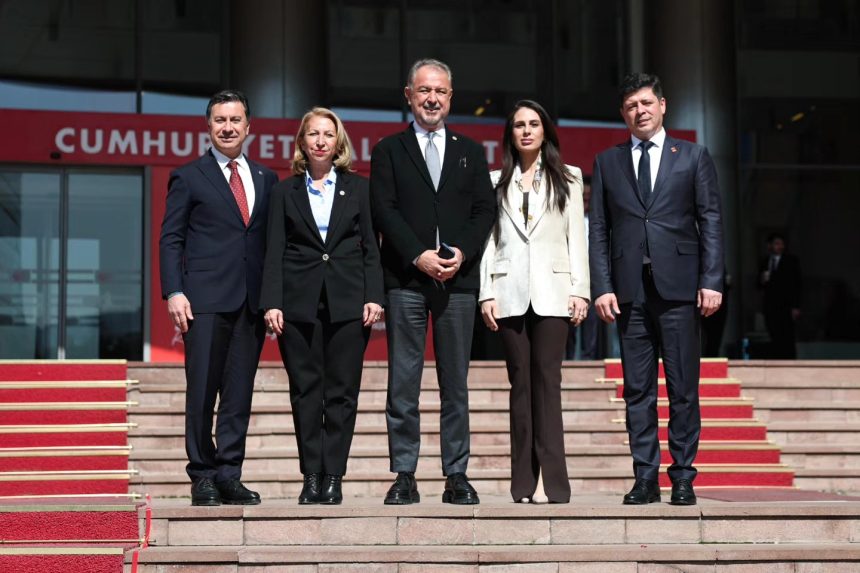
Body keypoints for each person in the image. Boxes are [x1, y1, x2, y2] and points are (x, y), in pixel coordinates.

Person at [589, 73, 724, 506]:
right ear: (623, 113)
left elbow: (711, 220)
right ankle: (645, 477)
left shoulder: (693, 156)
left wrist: (711, 280)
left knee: (683, 387)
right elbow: (599, 230)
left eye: (646, 103)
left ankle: (683, 476)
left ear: (662, 105)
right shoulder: (608, 162)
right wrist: (602, 286)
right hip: (629, 291)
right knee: (638, 389)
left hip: (680, 288)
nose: (640, 111)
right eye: (631, 106)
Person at [370, 58, 496, 505]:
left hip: (457, 282)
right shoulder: (389, 150)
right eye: (424, 90)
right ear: (409, 95)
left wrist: (461, 252)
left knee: (454, 384)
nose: (432, 98)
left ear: (450, 97)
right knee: (403, 382)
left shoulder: (471, 150)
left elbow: (484, 210)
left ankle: (456, 474)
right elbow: (384, 210)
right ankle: (404, 474)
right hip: (406, 279)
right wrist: (417, 254)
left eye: (440, 91)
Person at [159, 90, 278, 506]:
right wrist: (174, 291)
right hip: (204, 300)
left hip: (250, 301)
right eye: (220, 120)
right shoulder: (189, 176)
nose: (228, 128)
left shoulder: (266, 178)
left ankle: (229, 474)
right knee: (202, 391)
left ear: (249, 127)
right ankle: (202, 475)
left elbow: (269, 243)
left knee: (238, 394)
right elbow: (171, 238)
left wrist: (273, 297)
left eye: (235, 120)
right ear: (208, 126)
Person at [260, 107, 384, 505]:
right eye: (313, 134)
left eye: (328, 134)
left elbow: (371, 247)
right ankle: (311, 475)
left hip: (348, 302)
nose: (320, 141)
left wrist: (374, 295)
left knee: (342, 392)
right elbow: (274, 249)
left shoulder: (359, 188)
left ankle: (333, 476)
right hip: (297, 304)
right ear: (302, 142)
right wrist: (272, 302)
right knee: (305, 392)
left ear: (338, 142)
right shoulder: (284, 192)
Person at [478, 100, 590, 503]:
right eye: (519, 125)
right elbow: (489, 241)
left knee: (547, 382)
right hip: (508, 292)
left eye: (534, 124)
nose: (526, 131)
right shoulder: (494, 181)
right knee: (520, 386)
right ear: (510, 134)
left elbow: (577, 237)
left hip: (554, 292)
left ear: (545, 131)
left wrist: (581, 290)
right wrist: (486, 292)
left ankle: (551, 483)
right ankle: (524, 483)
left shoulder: (570, 178)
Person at [566, 182, 603, 361]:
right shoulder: (569, 220)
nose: (586, 200)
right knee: (570, 321)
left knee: (592, 322)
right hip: (571, 278)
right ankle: (568, 358)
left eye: (589, 197)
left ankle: (589, 358)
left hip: (592, 278)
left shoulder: (597, 222)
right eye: (583, 197)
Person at [759, 233, 802, 359]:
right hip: (770, 305)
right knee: (773, 332)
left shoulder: (791, 261)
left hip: (786, 304)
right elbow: (758, 285)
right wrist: (762, 280)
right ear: (769, 245)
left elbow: (797, 284)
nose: (780, 247)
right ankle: (776, 359)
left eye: (782, 244)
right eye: (777, 244)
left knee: (787, 333)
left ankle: (789, 360)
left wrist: (796, 306)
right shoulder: (765, 261)